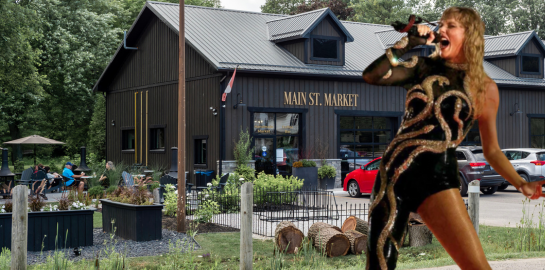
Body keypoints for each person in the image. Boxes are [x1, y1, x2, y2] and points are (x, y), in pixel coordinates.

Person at [361, 7, 545, 270]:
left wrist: (520, 183)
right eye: (441, 25)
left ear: (470, 36)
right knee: (379, 265)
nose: (442, 30)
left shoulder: (485, 87)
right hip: (392, 175)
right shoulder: (422, 66)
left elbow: (491, 150)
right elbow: (371, 75)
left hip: (438, 178)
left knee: (477, 267)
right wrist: (406, 43)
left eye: (452, 26)